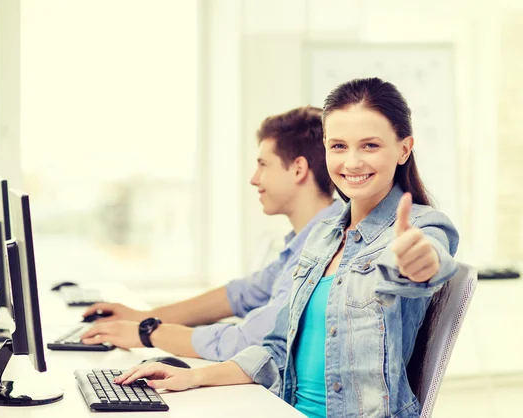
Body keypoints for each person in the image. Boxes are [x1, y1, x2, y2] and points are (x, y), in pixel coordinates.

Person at [113, 78, 460, 418]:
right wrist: (193, 377)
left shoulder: (422, 226)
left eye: (370, 145)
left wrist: (419, 263)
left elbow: (430, 263)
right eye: (338, 146)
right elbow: (275, 348)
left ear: (404, 149)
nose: (352, 162)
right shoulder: (321, 235)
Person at [80, 106, 343, 361]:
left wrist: (148, 333)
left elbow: (247, 341)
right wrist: (142, 316)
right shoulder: (304, 242)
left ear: (298, 169)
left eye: (263, 164)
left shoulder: (328, 248)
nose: (254, 179)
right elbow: (240, 294)